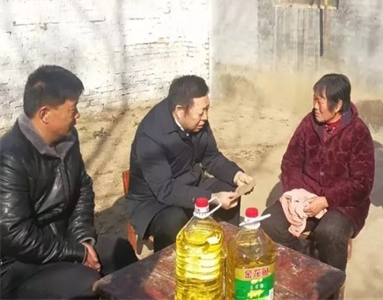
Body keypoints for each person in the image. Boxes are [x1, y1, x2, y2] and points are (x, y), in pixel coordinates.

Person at [0, 65, 138, 299]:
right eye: (72, 109)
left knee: (120, 252)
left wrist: (83, 239)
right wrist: (75, 252)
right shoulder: (10, 157)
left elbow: (82, 188)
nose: (78, 115)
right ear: (45, 114)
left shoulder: (67, 139)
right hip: (20, 265)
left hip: (65, 242)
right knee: (84, 284)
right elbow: (14, 234)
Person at [125, 75, 254, 252]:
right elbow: (165, 190)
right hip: (153, 201)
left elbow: (211, 157)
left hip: (190, 183)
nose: (205, 117)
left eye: (207, 109)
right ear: (180, 111)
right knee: (173, 221)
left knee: (230, 193)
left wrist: (236, 175)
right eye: (201, 113)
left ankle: (225, 252)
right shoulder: (151, 136)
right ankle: (171, 266)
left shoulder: (197, 121)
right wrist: (211, 197)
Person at [260, 73, 375, 273]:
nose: (314, 106)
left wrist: (326, 200)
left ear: (337, 105)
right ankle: (306, 264)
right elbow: (291, 161)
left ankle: (333, 284)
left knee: (330, 233)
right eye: (314, 100)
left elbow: (362, 184)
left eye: (319, 101)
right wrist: (298, 195)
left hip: (343, 204)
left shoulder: (358, 132)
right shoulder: (309, 123)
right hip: (305, 195)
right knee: (268, 223)